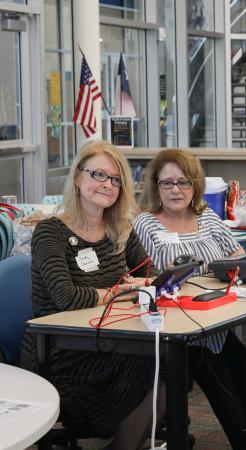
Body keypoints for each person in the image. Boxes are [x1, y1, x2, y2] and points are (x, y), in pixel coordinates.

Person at [133, 149, 246, 450]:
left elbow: (238, 256)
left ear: (194, 186)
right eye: (167, 183)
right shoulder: (147, 223)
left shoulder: (206, 216)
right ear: (156, 186)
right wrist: (213, 265)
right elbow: (166, 270)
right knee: (220, 375)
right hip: (179, 327)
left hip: (215, 318)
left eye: (183, 183)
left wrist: (201, 266)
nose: (176, 190)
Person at [21, 141, 164, 450]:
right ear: (77, 178)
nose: (107, 184)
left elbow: (149, 275)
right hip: (60, 350)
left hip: (109, 335)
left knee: (175, 359)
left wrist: (134, 285)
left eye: (115, 179)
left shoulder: (120, 228)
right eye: (98, 174)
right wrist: (118, 292)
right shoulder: (50, 232)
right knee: (155, 363)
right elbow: (66, 297)